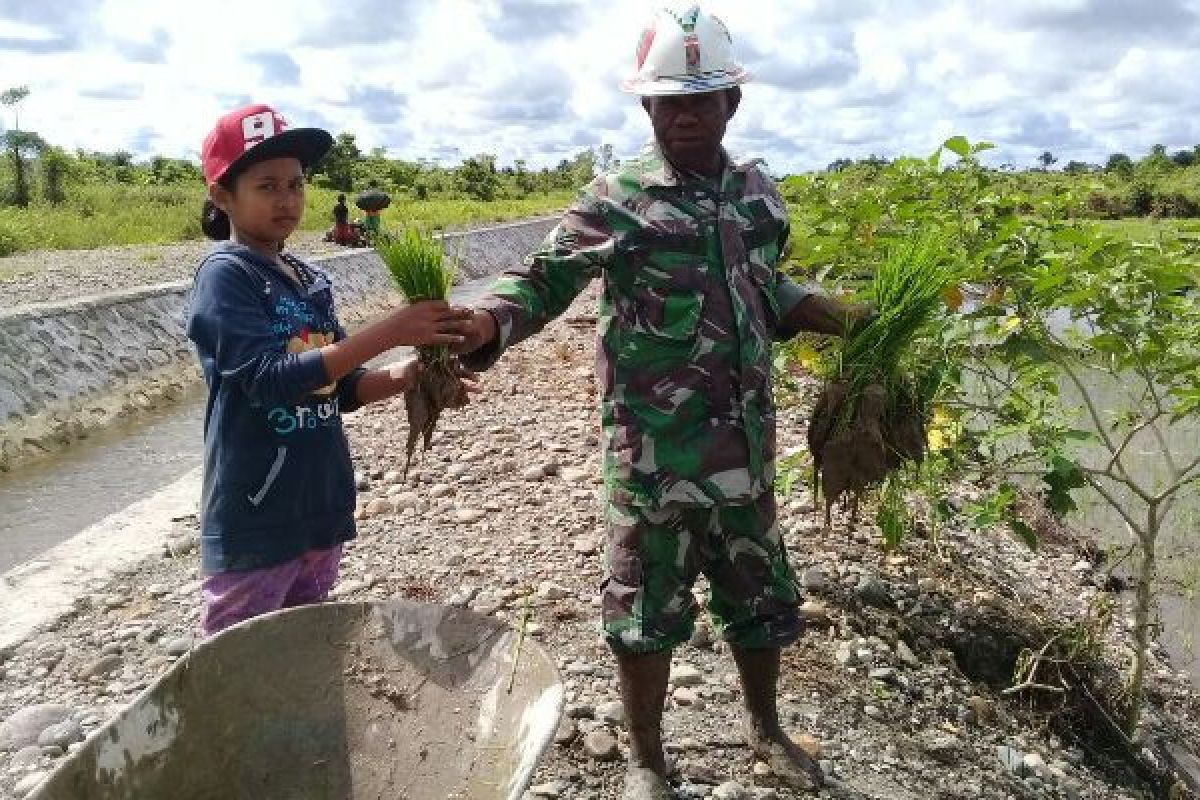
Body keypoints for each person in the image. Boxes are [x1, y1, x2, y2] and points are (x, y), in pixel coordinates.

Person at [456, 8, 870, 798]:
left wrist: (835, 314)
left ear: (731, 105)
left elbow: (760, 286)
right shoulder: (618, 197)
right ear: (645, 109)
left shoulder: (757, 195)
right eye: (669, 103)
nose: (685, 116)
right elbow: (545, 278)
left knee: (760, 593)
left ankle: (766, 729)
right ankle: (647, 759)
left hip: (745, 449)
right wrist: (485, 323)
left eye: (702, 100)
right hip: (653, 452)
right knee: (643, 606)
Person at [187, 104, 473, 636]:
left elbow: (339, 390)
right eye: (267, 185)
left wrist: (411, 374)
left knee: (304, 650)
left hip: (320, 506)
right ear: (223, 196)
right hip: (257, 513)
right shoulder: (225, 277)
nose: (286, 199)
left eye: (295, 184)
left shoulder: (308, 279)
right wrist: (389, 330)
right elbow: (269, 380)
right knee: (240, 661)